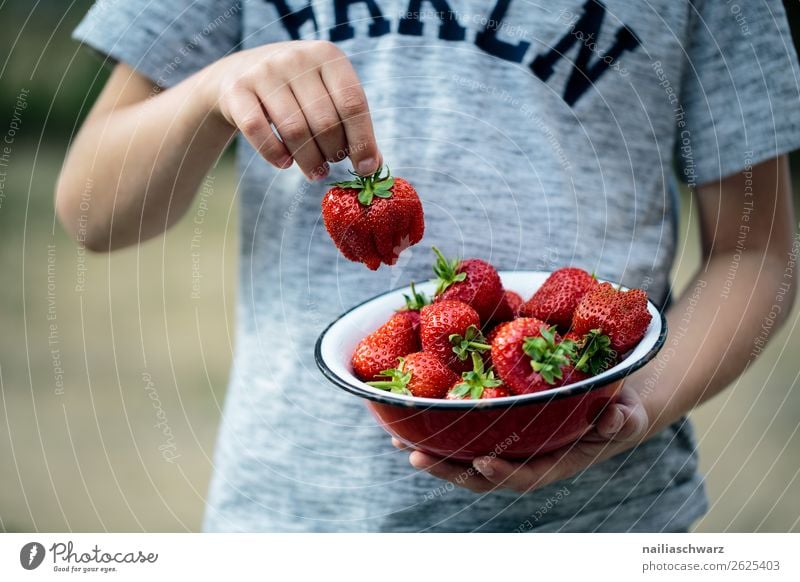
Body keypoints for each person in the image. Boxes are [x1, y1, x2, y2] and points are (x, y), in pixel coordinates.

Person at [57, 0, 800, 532]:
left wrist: (636, 403)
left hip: (603, 523)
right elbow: (92, 209)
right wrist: (212, 90)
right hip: (297, 519)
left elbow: (757, 247)